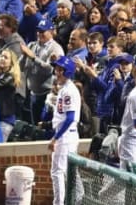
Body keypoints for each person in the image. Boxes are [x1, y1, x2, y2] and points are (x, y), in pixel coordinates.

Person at [48, 56, 83, 205]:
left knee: (57, 172)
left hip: (65, 136)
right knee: (69, 172)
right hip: (68, 135)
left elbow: (69, 118)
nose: (57, 72)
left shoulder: (68, 90)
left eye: (60, 70)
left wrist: (56, 137)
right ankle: (81, 197)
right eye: (56, 69)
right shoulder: (66, 89)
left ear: (67, 72)